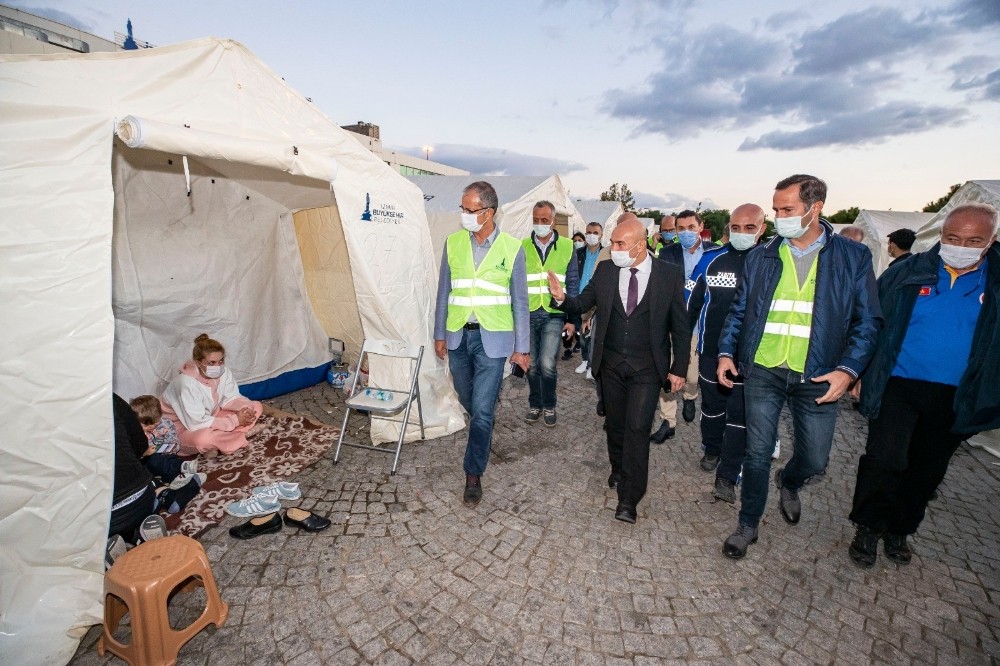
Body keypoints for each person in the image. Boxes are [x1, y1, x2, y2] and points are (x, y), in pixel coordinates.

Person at [717, 174, 882, 559]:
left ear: (815, 208)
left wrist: (849, 369)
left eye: (787, 209)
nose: (779, 217)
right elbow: (739, 311)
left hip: (820, 375)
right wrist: (727, 352)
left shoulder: (852, 257)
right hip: (763, 370)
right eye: (776, 209)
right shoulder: (763, 255)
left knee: (815, 459)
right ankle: (748, 524)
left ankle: (789, 481)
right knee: (757, 452)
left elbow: (868, 322)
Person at [847, 204, 1000, 567]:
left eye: (973, 240)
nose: (961, 245)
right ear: (941, 235)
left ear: (990, 240)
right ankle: (868, 526)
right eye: (952, 238)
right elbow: (871, 322)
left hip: (957, 393)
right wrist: (858, 371)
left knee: (927, 469)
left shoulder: (995, 282)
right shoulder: (908, 273)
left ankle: (899, 529)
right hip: (897, 384)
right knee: (885, 459)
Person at [548, 214, 688, 524]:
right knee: (615, 425)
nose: (613, 248)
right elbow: (584, 301)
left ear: (640, 246)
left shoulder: (668, 274)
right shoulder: (607, 270)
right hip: (610, 364)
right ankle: (617, 467)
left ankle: (629, 497)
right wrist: (562, 299)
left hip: (648, 368)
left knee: (637, 427)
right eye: (612, 242)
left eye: (620, 243)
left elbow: (680, 325)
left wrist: (679, 368)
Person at [434, 180, 530, 505]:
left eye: (469, 209)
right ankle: (482, 433)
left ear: (488, 212)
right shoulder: (452, 244)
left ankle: (473, 473)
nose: (464, 214)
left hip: (494, 339)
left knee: (484, 410)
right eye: (462, 208)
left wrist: (522, 348)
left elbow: (520, 302)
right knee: (468, 400)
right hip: (459, 334)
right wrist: (438, 334)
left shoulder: (513, 249)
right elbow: (443, 292)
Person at [686, 204, 766, 493]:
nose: (741, 233)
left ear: (762, 229)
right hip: (711, 350)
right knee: (713, 408)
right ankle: (711, 447)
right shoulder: (711, 260)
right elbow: (690, 304)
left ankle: (730, 471)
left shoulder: (769, 262)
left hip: (753, 357)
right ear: (728, 228)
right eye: (735, 227)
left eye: (749, 228)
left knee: (741, 415)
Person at [652, 210, 716, 441]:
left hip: (700, 326)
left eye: (691, 227)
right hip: (672, 325)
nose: (685, 232)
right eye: (681, 228)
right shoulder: (667, 253)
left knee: (691, 376)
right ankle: (668, 422)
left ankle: (690, 395)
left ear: (701, 226)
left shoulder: (715, 253)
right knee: (667, 372)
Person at [160, 334, 264, 458]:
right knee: (203, 439)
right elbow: (195, 423)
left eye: (221, 361)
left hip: (210, 416)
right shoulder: (185, 383)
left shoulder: (223, 372)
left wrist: (244, 410)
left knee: (255, 406)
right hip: (181, 428)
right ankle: (236, 436)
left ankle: (223, 441)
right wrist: (235, 421)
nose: (218, 366)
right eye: (212, 363)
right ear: (198, 363)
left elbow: (230, 398)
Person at [522, 201, 579, 424]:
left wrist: (572, 320)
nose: (540, 224)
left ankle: (549, 405)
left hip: (555, 314)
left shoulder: (567, 246)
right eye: (536, 219)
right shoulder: (522, 246)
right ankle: (535, 404)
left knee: (547, 363)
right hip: (529, 313)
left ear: (553, 221)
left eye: (544, 220)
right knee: (533, 364)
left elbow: (572, 284)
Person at [129, 394, 200, 486]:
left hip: (167, 456)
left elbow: (174, 443)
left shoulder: (166, 423)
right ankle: (182, 466)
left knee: (168, 463)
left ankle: (180, 479)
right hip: (147, 461)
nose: (152, 426)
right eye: (146, 425)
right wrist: (144, 453)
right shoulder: (135, 432)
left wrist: (161, 449)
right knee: (154, 461)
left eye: (155, 423)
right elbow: (132, 455)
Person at [574, 222, 605, 378]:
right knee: (582, 332)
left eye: (595, 232)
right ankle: (585, 360)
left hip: (597, 299)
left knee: (594, 333)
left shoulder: (606, 253)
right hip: (581, 298)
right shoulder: (578, 253)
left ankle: (592, 365)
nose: (591, 235)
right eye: (589, 232)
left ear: (601, 235)